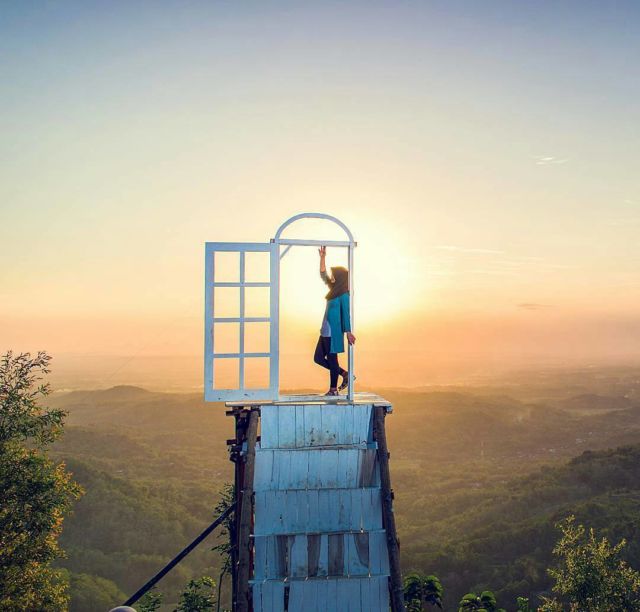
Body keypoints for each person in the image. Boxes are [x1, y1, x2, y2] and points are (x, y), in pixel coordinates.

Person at [314, 246, 356, 395]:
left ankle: (333, 390)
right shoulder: (334, 290)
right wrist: (322, 258)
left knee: (332, 359)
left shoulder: (344, 294)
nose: (332, 277)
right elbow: (323, 274)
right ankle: (344, 374)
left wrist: (348, 332)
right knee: (318, 358)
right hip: (325, 330)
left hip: (333, 332)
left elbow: (346, 314)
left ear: (340, 278)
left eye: (334, 275)